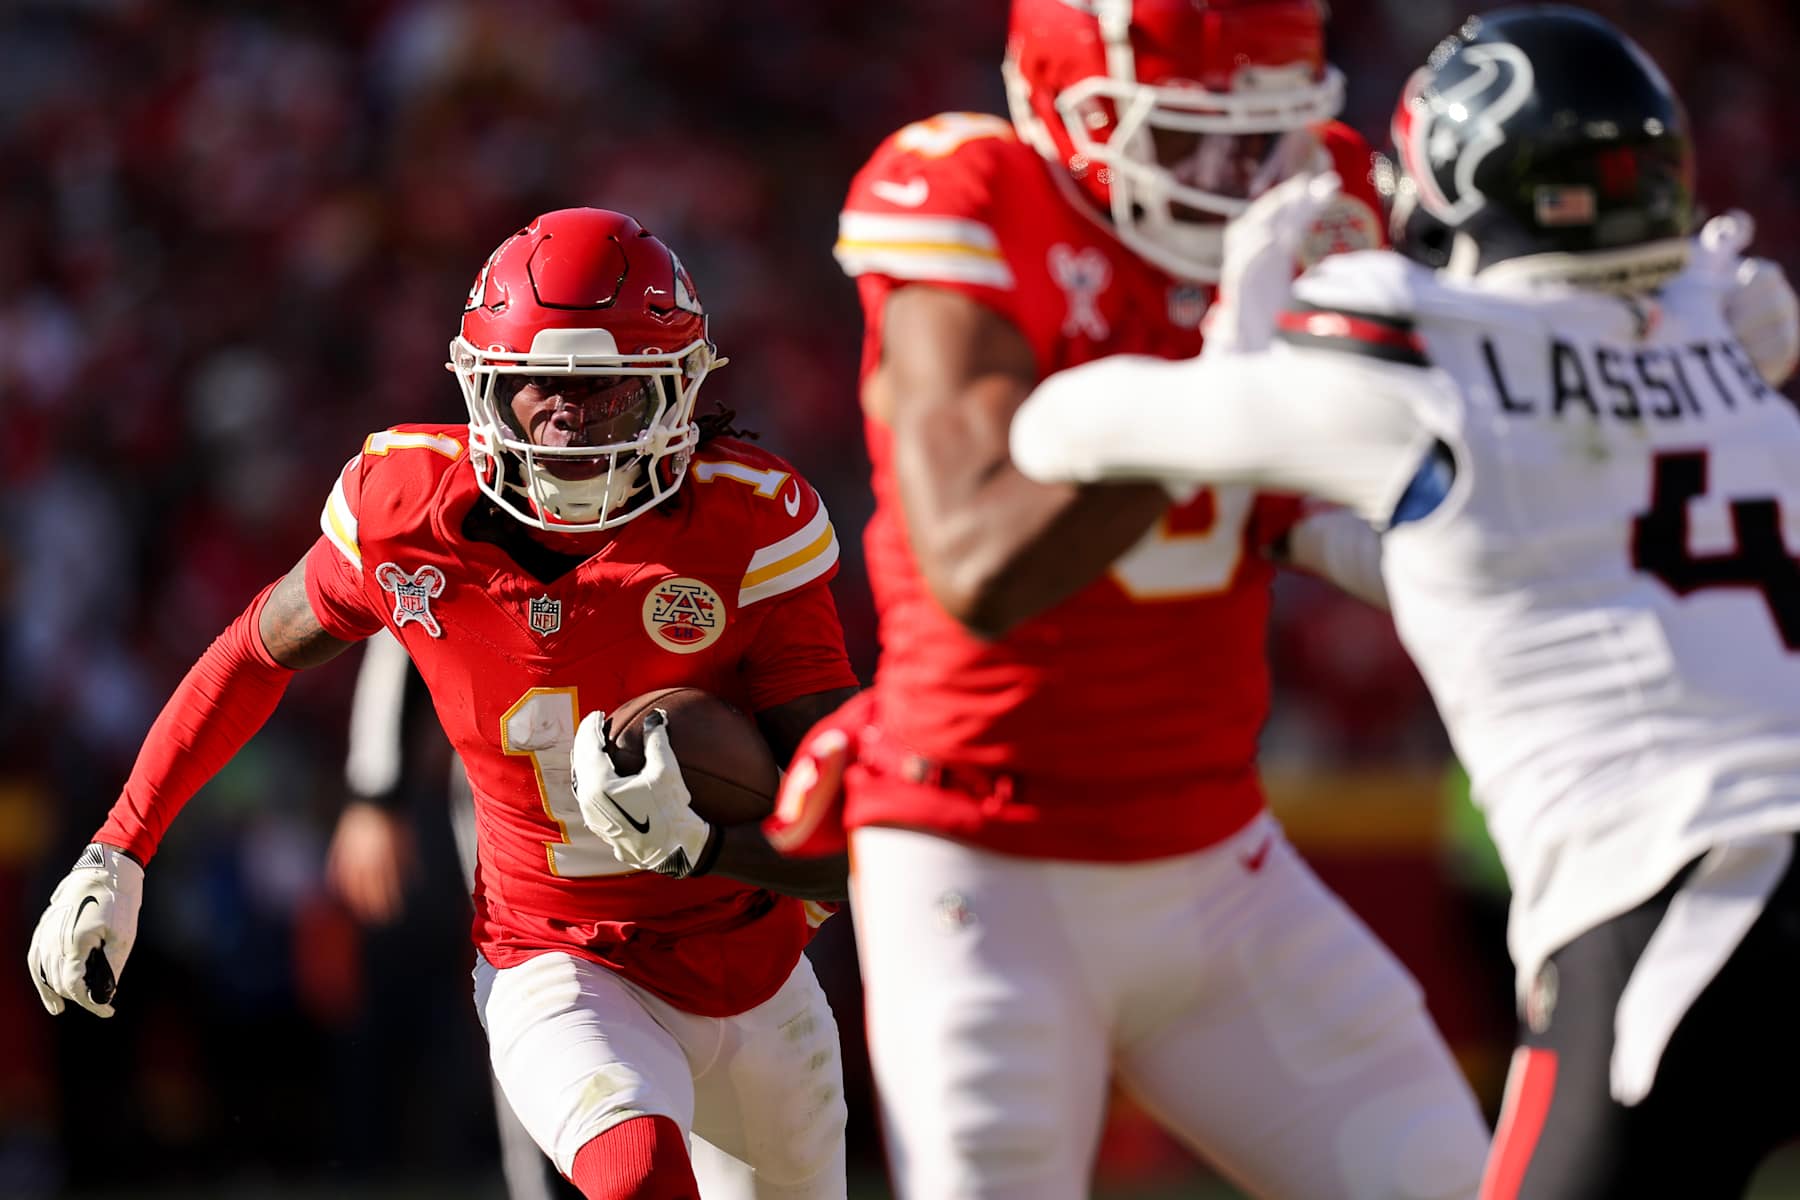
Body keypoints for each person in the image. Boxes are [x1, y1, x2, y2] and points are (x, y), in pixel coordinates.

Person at [1009, 7, 1800, 1197]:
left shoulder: (1420, 349)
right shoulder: (1728, 328)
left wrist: (1246, 324)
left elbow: (1062, 428)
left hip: (1684, 899)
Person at [772, 2, 1494, 1197]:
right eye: (1187, 145)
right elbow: (979, 567)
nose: (1232, 183)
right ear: (1070, 113)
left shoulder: (1316, 196)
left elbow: (1317, 503)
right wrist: (1218, 394)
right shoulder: (971, 192)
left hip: (1216, 856)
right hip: (980, 859)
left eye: (1260, 143)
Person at [27, 208, 860, 1200]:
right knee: (637, 1178)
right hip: (557, 958)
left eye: (605, 394)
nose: (568, 419)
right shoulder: (406, 507)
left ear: (680, 394)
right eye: (539, 388)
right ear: (478, 385)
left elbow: (845, 840)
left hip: (755, 967)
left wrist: (705, 845)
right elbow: (253, 652)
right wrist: (118, 847)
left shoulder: (747, 527)